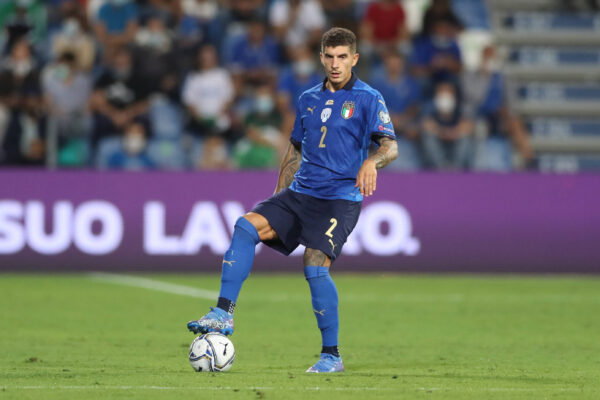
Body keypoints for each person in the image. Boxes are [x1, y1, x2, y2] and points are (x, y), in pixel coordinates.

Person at [187, 27, 398, 373]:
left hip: (338, 199)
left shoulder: (369, 98)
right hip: (300, 194)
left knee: (314, 264)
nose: (335, 64)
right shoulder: (308, 99)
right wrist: (277, 200)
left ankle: (331, 355)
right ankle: (223, 313)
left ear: (354, 59)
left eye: (342, 57)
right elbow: (294, 152)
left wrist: (371, 162)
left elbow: (390, 146)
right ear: (321, 58)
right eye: (330, 57)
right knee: (246, 226)